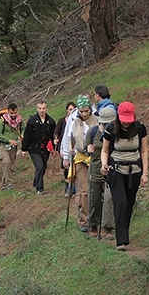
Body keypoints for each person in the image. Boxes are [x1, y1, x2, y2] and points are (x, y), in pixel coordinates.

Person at [100, 101, 149, 251]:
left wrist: (145, 173)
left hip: (134, 170)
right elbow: (105, 150)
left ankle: (124, 232)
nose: (125, 124)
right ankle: (121, 240)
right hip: (116, 169)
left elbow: (144, 151)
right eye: (123, 120)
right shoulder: (110, 129)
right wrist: (104, 164)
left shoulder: (140, 129)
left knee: (129, 203)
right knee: (120, 202)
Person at [64, 95, 97, 232]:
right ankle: (84, 221)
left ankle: (95, 219)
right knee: (84, 191)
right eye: (81, 111)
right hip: (79, 159)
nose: (84, 114)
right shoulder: (73, 123)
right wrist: (67, 154)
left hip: (95, 159)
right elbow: (68, 139)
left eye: (86, 111)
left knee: (95, 190)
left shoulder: (97, 121)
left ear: (90, 109)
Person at [86, 105, 116, 240]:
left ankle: (108, 228)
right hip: (96, 170)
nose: (107, 125)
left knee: (109, 199)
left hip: (111, 170)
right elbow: (84, 148)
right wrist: (89, 149)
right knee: (95, 199)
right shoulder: (92, 132)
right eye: (105, 123)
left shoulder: (116, 133)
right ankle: (93, 225)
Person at [21, 101, 56, 194]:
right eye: (40, 108)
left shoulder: (50, 121)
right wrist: (24, 149)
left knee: (43, 167)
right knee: (39, 167)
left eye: (43, 108)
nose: (42, 110)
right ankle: (40, 189)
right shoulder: (32, 120)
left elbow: (54, 136)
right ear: (37, 109)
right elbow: (27, 135)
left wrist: (55, 148)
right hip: (34, 148)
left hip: (45, 148)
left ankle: (36, 182)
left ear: (46, 109)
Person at [0, 102, 23, 190]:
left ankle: (3, 184)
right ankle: (8, 183)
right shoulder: (2, 121)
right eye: (11, 113)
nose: (13, 115)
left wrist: (21, 135)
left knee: (10, 163)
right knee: (6, 161)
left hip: (14, 146)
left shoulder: (19, 120)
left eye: (15, 113)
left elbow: (23, 128)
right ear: (8, 112)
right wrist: (8, 140)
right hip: (4, 145)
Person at [55, 101, 77, 197]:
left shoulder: (76, 119)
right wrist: (56, 140)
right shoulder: (63, 121)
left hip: (75, 148)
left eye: (73, 109)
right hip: (65, 147)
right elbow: (59, 133)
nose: (71, 111)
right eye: (70, 109)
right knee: (67, 168)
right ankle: (68, 188)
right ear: (67, 110)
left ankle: (73, 188)